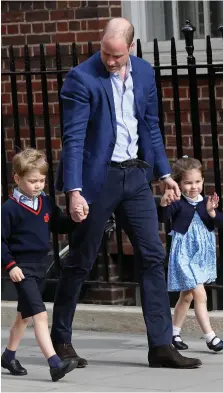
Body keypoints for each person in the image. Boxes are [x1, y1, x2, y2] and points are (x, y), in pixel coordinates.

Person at [51, 17, 202, 369]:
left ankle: (161, 346)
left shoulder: (145, 73)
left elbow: (150, 125)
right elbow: (72, 139)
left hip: (135, 175)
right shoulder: (82, 78)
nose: (110, 61)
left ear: (131, 48)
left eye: (117, 55)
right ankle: (60, 339)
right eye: (105, 52)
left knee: (152, 255)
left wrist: (165, 173)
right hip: (97, 181)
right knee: (81, 261)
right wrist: (74, 192)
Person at [1, 148, 78, 382]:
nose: (38, 185)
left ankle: (8, 355)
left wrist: (78, 219)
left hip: (39, 266)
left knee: (23, 316)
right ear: (17, 178)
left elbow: (59, 224)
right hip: (21, 269)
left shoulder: (44, 201)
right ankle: (55, 363)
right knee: (40, 314)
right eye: (32, 181)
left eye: (42, 180)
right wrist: (11, 265)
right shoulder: (9, 209)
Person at [158, 156, 223, 352]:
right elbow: (163, 218)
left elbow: (218, 223)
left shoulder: (206, 202)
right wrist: (163, 204)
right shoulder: (177, 202)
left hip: (201, 256)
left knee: (186, 296)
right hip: (184, 255)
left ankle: (173, 334)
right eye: (187, 182)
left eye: (197, 182)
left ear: (203, 181)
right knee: (200, 295)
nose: (193, 187)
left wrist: (212, 213)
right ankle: (211, 337)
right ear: (178, 183)